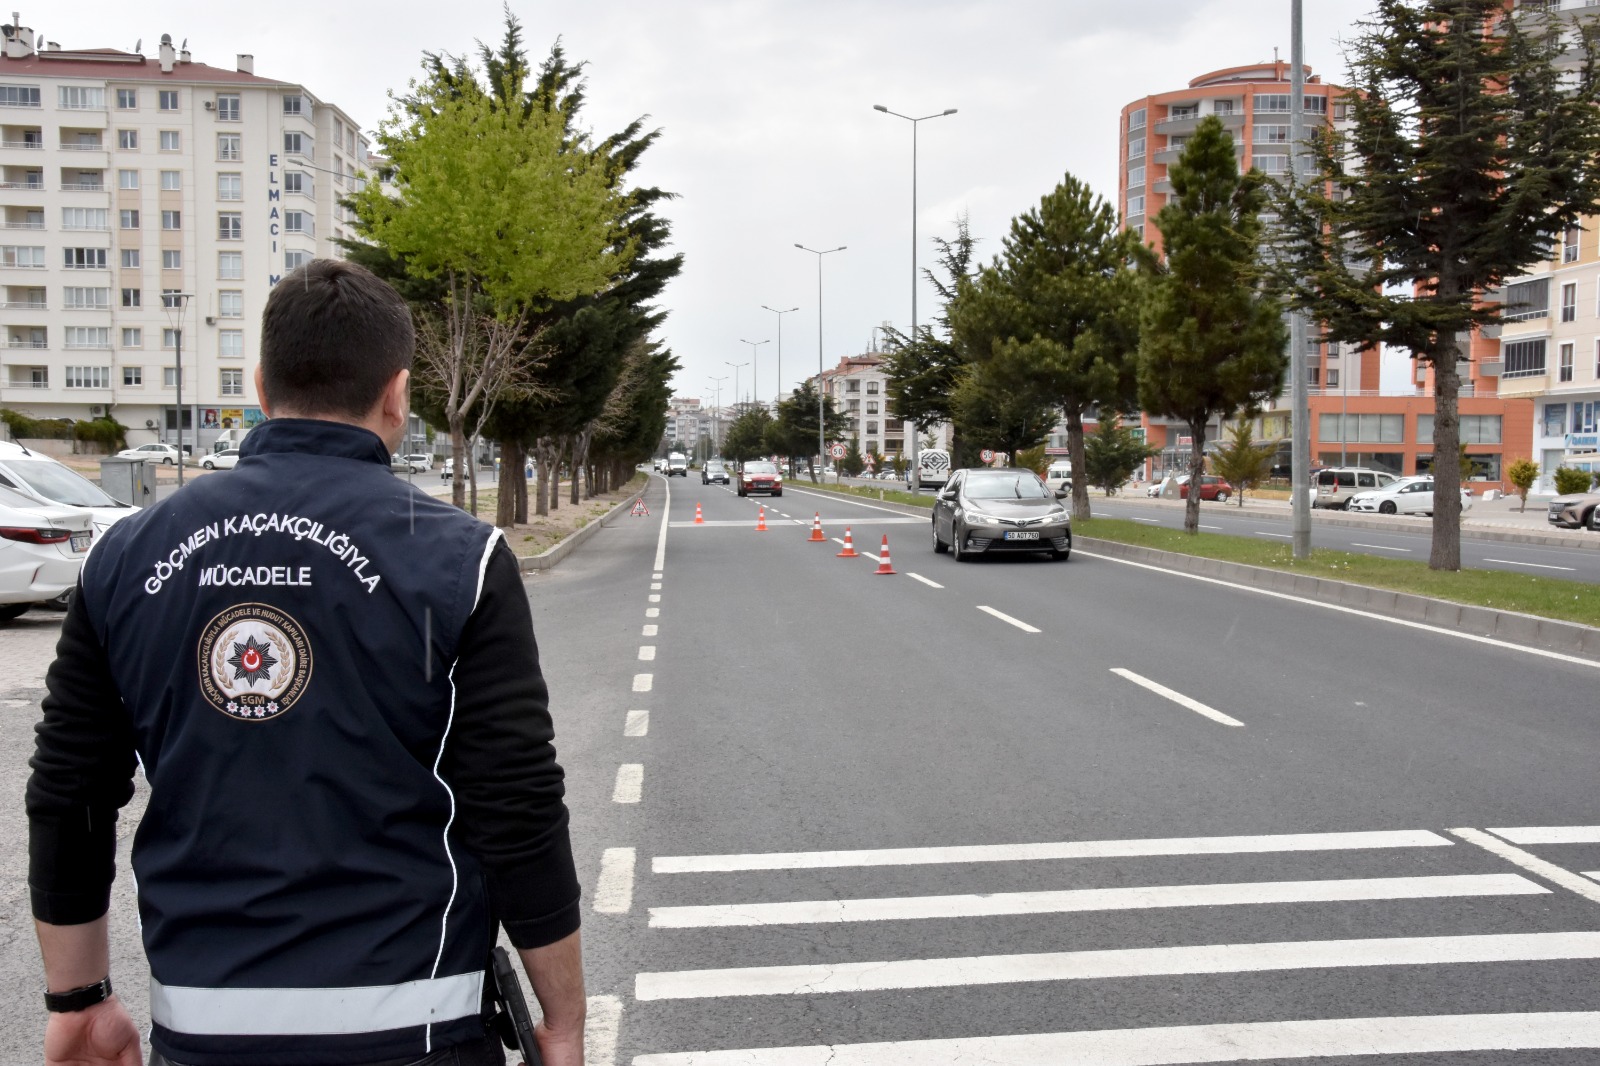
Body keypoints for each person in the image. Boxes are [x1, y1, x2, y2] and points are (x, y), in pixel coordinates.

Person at [27, 259, 585, 1066]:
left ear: (261, 386)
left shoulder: (124, 557)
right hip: (418, 1028)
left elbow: (70, 793)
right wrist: (562, 1019)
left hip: (207, 1031)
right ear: (397, 394)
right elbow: (517, 804)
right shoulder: (458, 559)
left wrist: (78, 1002)